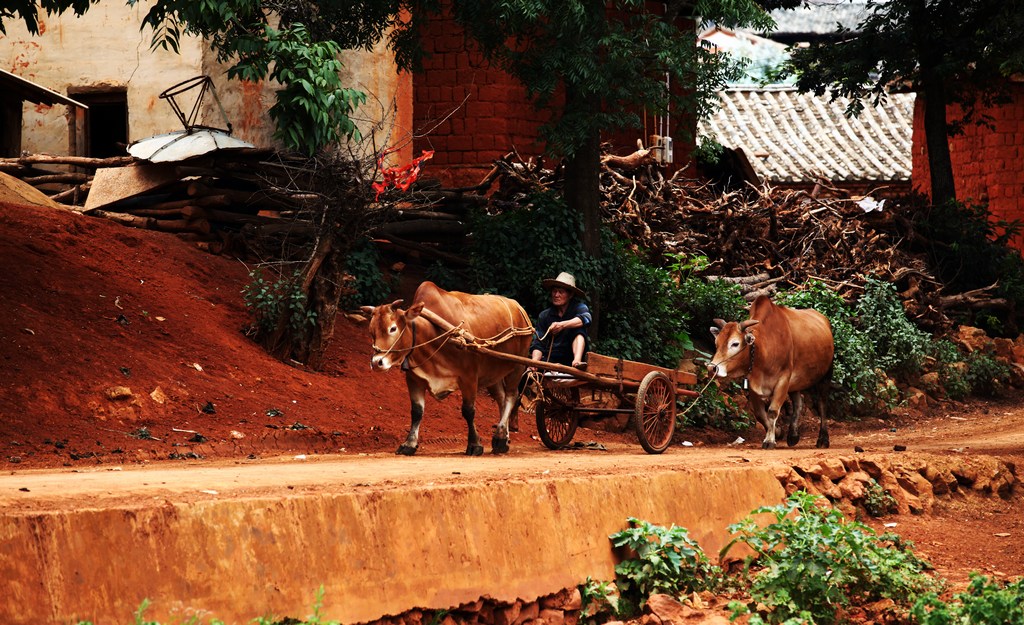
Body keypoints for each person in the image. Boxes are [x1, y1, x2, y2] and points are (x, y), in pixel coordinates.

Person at [530, 272, 591, 368]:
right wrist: (534, 363)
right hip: (550, 360)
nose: (556, 295)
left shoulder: (579, 308)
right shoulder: (545, 316)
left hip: (570, 359)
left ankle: (577, 361)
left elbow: (586, 319)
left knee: (578, 329)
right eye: (554, 291)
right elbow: (539, 343)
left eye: (561, 292)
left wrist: (562, 325)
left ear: (570, 295)